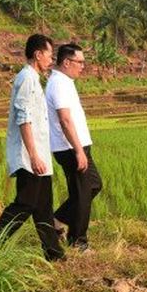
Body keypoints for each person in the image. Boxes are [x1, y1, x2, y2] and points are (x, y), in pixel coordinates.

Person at [0, 34, 64, 261]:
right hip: (28, 155)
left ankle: (54, 253)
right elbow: (24, 118)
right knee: (25, 203)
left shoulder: (33, 78)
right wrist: (33, 155)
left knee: (43, 206)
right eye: (49, 55)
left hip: (37, 153)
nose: (51, 60)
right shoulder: (26, 78)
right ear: (38, 54)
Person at [45, 43, 102, 252]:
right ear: (67, 62)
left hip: (76, 145)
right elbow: (65, 120)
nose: (83, 66)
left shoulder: (65, 81)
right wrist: (78, 150)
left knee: (93, 185)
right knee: (82, 193)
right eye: (80, 62)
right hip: (69, 147)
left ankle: (57, 220)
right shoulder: (59, 84)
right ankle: (79, 242)